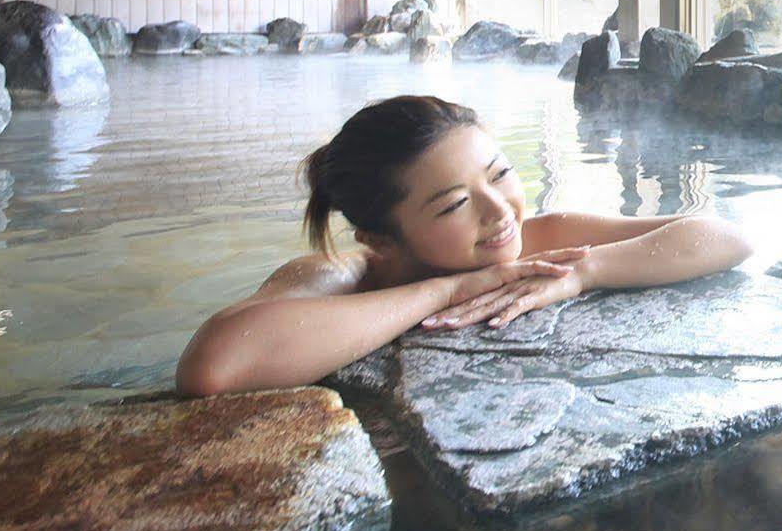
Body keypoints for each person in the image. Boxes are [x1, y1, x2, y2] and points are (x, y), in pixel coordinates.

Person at [176, 94, 752, 396]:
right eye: (454, 205)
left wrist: (586, 271)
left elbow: (726, 236)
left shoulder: (541, 239)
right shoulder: (340, 276)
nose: (500, 210)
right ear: (379, 237)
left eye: (500, 174)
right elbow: (213, 368)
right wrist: (445, 291)